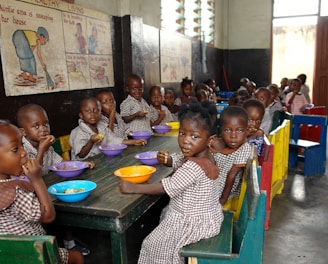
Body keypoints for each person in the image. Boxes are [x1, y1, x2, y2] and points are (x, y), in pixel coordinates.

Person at [119, 101, 223, 264]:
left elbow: (165, 187)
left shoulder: (194, 167)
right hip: (207, 217)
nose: (186, 141)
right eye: (182, 133)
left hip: (192, 224)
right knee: (164, 215)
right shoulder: (205, 156)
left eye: (194, 136)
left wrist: (133, 187)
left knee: (151, 244)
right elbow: (181, 159)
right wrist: (168, 160)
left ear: (210, 140)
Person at [0, 120, 83, 264]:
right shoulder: (15, 190)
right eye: (15, 149)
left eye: (22, 145)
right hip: (34, 255)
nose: (24, 152)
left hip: (8, 256)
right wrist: (37, 179)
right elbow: (48, 216)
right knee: (77, 257)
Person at [16, 104, 92, 256]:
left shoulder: (47, 145)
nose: (43, 129)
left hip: (47, 189)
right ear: (23, 131)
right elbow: (31, 172)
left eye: (45, 124)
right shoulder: (20, 150)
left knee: (68, 200)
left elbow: (59, 163)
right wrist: (42, 149)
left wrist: (81, 164)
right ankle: (52, 250)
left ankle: (69, 244)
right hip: (30, 197)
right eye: (36, 126)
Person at [215, 106, 252, 206]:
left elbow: (232, 175)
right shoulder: (218, 142)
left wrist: (223, 200)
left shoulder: (244, 148)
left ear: (246, 131)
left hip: (223, 190)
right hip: (212, 183)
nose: (233, 136)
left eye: (239, 130)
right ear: (221, 130)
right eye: (227, 130)